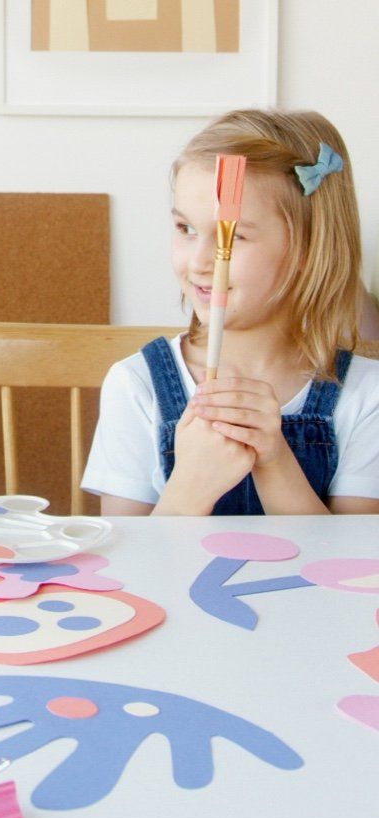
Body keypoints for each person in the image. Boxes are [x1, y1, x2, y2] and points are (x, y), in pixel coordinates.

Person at [82, 109, 379, 516]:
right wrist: (190, 487)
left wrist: (274, 461)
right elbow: (128, 555)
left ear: (310, 250)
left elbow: (354, 554)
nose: (201, 262)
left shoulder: (365, 395)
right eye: (185, 229)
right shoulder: (137, 385)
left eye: (233, 236)